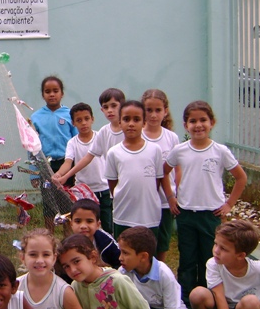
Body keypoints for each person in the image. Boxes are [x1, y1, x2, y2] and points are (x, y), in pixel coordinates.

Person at [164, 100, 247, 307]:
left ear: (212, 122)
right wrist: (171, 198)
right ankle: (185, 301)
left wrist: (229, 204)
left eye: (203, 120)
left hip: (212, 215)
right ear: (186, 125)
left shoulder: (220, 151)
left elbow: (241, 178)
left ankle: (209, 301)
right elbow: (163, 173)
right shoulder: (180, 150)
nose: (198, 125)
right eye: (193, 121)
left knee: (209, 259)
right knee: (187, 259)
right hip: (186, 214)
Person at [53, 88, 126, 235]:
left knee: (107, 226)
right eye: (79, 120)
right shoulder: (73, 143)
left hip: (105, 189)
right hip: (84, 192)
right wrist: (61, 175)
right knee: (87, 228)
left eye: (86, 119)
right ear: (73, 123)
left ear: (92, 119)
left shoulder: (101, 135)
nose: (84, 123)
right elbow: (69, 162)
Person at [105, 100, 165, 238]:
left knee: (147, 255)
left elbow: (157, 181)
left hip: (149, 214)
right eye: (126, 119)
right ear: (120, 123)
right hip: (123, 214)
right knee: (124, 254)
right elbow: (113, 184)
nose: (131, 123)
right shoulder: (114, 153)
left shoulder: (155, 150)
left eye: (136, 119)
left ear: (144, 123)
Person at [31, 76, 77, 231]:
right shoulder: (36, 117)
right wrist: (34, 173)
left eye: (55, 91)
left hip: (67, 164)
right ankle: (48, 235)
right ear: (43, 94)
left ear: (62, 93)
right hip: (46, 165)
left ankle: (68, 236)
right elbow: (32, 146)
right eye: (47, 91)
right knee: (48, 202)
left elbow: (77, 141)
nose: (52, 94)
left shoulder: (70, 114)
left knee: (68, 201)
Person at [141, 89, 180, 263]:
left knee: (162, 241)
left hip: (165, 199)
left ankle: (160, 271)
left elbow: (178, 168)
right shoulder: (137, 135)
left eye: (158, 110)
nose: (153, 115)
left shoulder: (171, 138)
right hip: (144, 198)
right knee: (144, 240)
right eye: (149, 110)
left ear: (165, 111)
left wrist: (175, 194)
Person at [68, 198, 121, 269]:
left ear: (98, 224)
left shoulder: (106, 242)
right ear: (71, 224)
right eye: (78, 221)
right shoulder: (67, 246)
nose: (83, 226)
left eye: (89, 221)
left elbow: (119, 263)